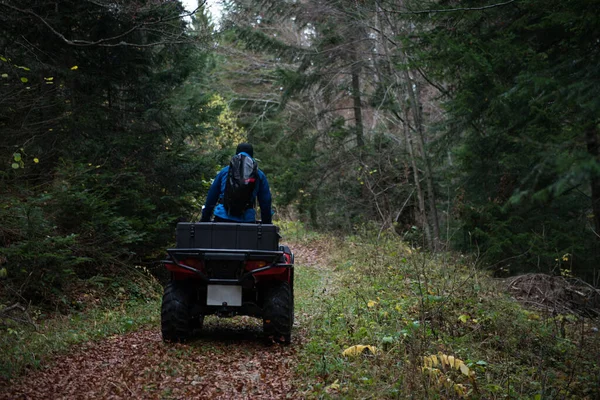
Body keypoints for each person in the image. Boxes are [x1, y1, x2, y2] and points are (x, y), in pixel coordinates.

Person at [200, 143, 273, 224]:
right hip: (247, 220)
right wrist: (267, 224)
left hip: (222, 217)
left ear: (236, 154)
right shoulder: (259, 174)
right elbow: (265, 202)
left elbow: (211, 197)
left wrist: (205, 219)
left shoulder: (224, 171)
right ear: (251, 155)